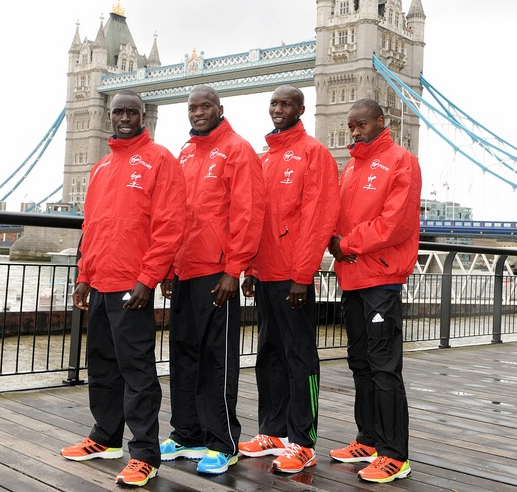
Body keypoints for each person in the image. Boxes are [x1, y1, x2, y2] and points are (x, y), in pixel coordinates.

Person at [60, 91, 186, 487]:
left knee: (137, 370)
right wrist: (84, 275)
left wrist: (148, 278)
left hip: (133, 284)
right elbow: (92, 227)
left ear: (144, 115)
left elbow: (170, 226)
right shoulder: (100, 167)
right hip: (99, 282)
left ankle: (144, 453)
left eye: (132, 111)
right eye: (118, 112)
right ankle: (105, 436)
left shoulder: (161, 159)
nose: (125, 117)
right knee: (101, 364)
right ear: (109, 116)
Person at [159, 84, 266, 475]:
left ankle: (223, 442)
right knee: (183, 355)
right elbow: (174, 214)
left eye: (206, 106)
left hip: (216, 272)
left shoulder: (238, 149)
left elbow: (248, 214)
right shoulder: (185, 152)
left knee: (216, 360)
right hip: (185, 270)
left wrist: (233, 269)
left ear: (220, 108)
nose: (198, 112)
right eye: (192, 107)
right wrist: (169, 266)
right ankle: (187, 433)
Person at [239, 85, 339, 474]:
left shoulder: (314, 154)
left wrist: (303, 274)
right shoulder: (265, 158)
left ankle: (302, 441)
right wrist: (249, 268)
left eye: (286, 104)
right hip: (265, 273)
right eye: (274, 103)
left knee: (300, 358)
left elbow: (319, 219)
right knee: (269, 355)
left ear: (301, 108)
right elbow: (255, 220)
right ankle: (273, 431)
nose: (278, 109)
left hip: (293, 277)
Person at [327, 98, 420, 483]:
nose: (354, 131)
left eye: (361, 124)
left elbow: (394, 224)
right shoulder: (350, 167)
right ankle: (367, 439)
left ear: (381, 122)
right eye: (350, 126)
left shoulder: (402, 161)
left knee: (384, 367)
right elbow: (335, 218)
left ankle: (394, 454)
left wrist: (345, 245)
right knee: (360, 363)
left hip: (381, 278)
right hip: (351, 278)